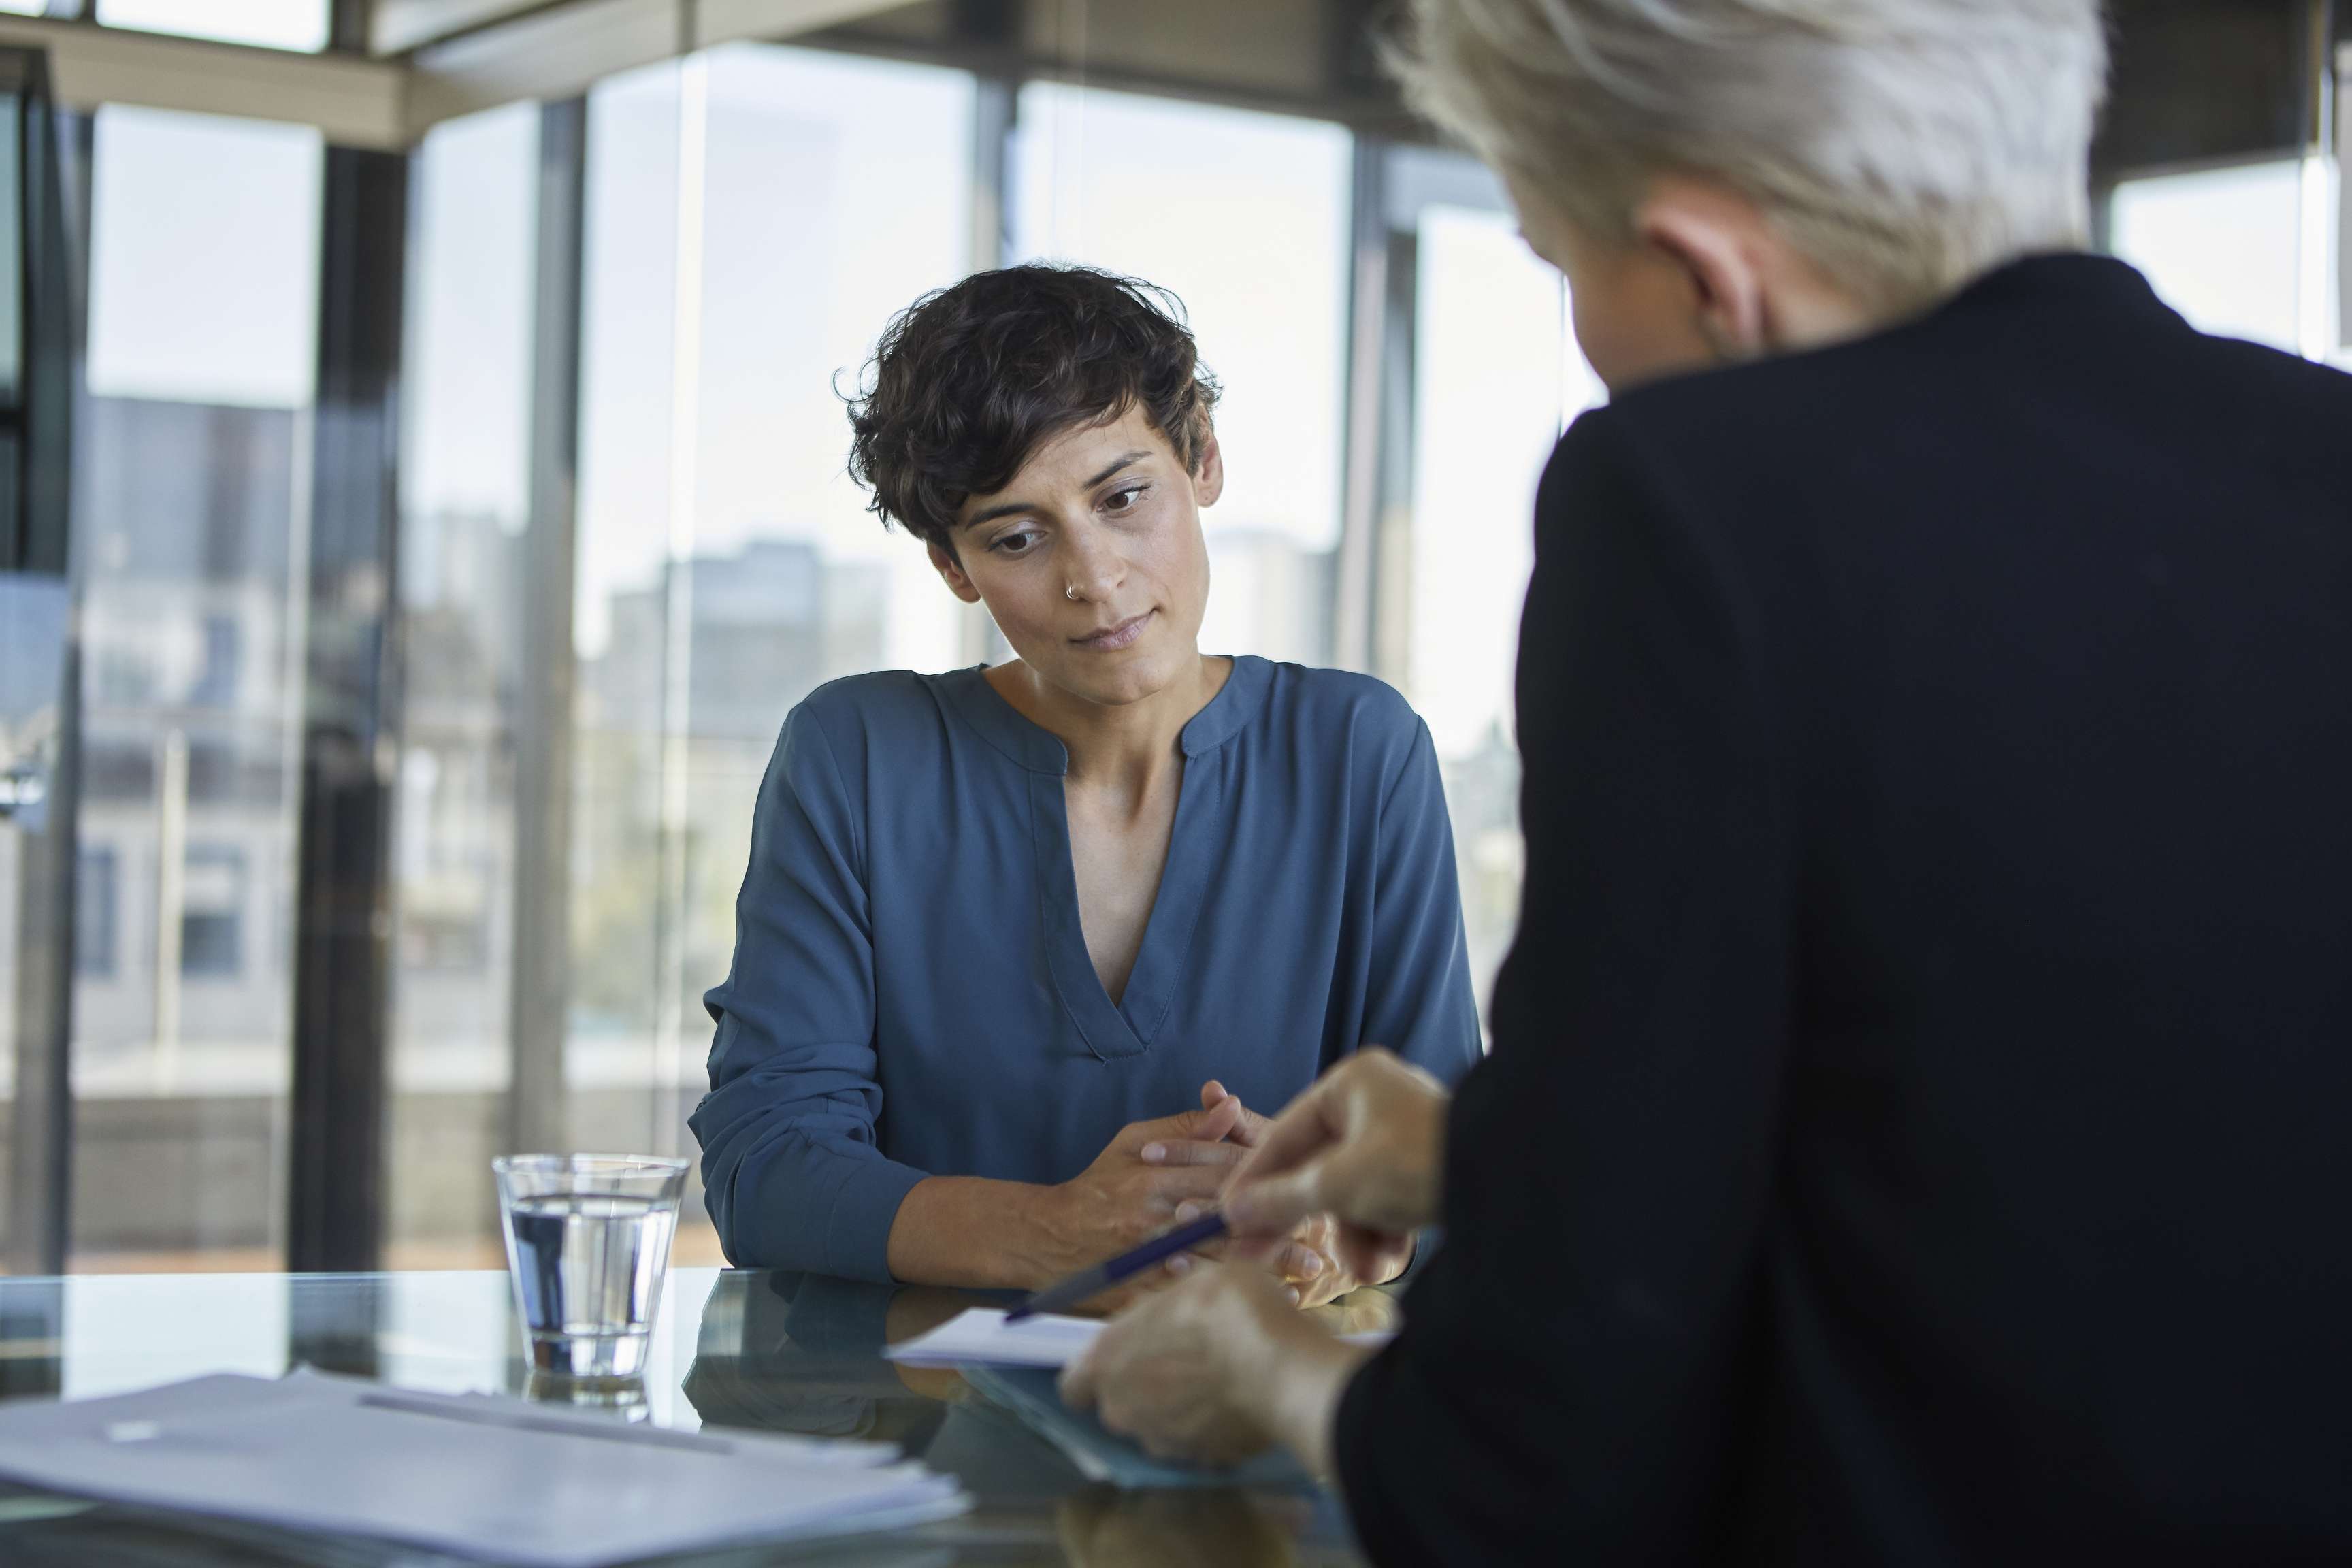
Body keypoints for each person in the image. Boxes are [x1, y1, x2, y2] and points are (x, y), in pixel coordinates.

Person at [1064, 0, 2352, 1559]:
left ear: (1707, 272)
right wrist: (1496, 1156)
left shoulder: (1693, 506)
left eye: (1562, 268)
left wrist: (1281, 1376)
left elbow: (1538, 1467)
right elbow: (2069, 1133)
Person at [691, 265, 1481, 1299]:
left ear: (1201, 457)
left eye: (1123, 498)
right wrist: (1054, 1233)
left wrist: (1340, 1225)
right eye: (1017, 537)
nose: (1094, 578)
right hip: (923, 1438)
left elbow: (1457, 1185)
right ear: (952, 566)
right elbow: (764, 1171)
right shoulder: (857, 756)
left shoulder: (1359, 753)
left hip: (1256, 1427)